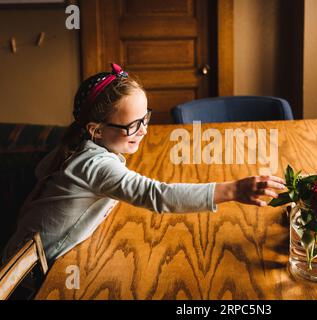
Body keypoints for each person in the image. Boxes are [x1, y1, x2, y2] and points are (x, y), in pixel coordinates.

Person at [1, 63, 286, 267]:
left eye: (146, 118)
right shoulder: (95, 166)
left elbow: (43, 176)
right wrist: (233, 190)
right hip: (33, 273)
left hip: (20, 247)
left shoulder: (74, 144)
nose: (144, 130)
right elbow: (157, 196)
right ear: (96, 130)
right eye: (134, 125)